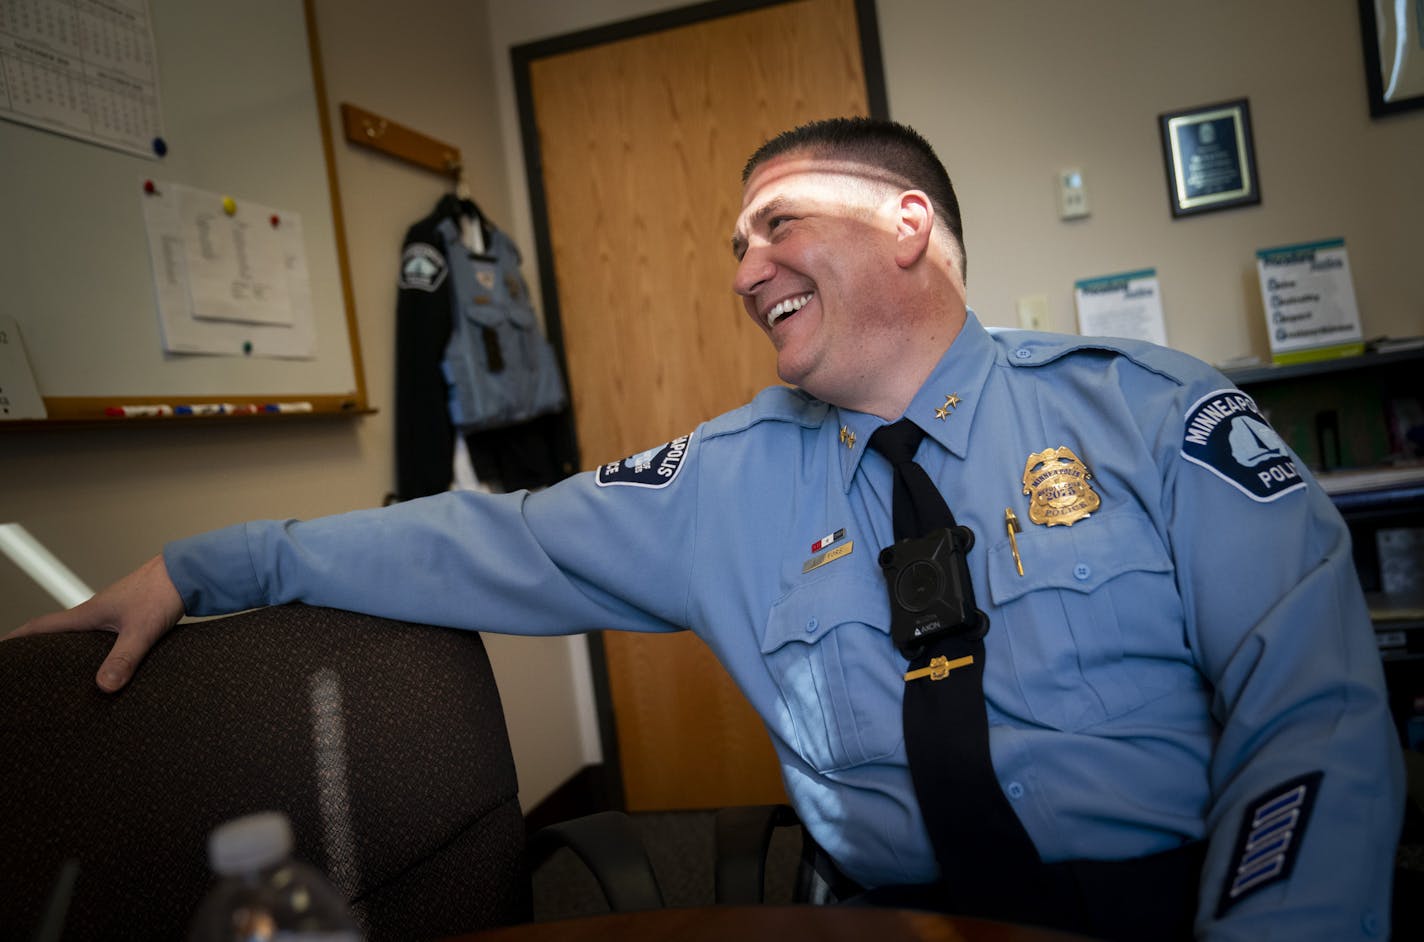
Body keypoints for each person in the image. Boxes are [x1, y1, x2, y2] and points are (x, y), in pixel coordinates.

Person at [9, 118, 1403, 940]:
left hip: (1168, 911)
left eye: (776, 224)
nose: (746, 271)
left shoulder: (1153, 416)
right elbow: (473, 543)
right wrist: (204, 563)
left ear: (908, 222)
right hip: (883, 921)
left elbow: (1313, 716)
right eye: (735, 245)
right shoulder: (718, 482)